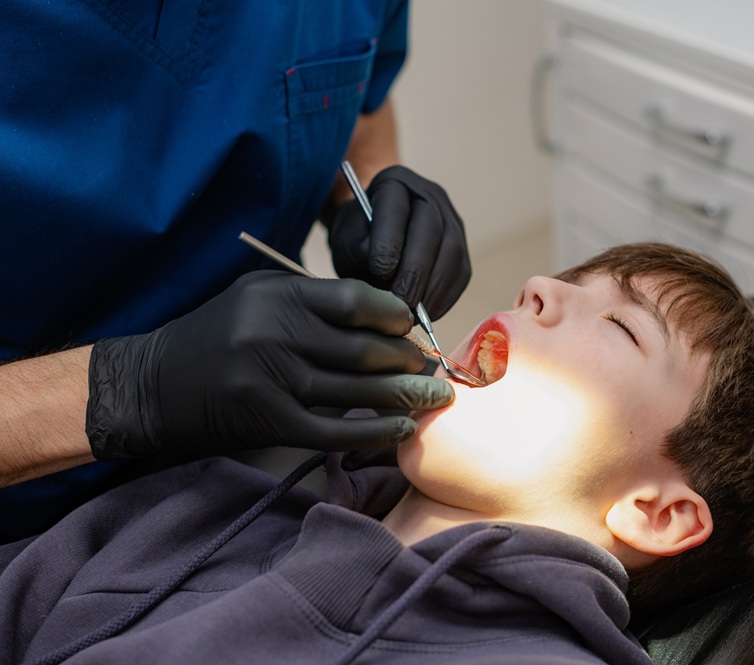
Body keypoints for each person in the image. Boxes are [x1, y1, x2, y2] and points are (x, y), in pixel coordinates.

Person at [0, 243, 754, 664]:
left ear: (655, 510)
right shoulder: (204, 505)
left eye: (620, 323)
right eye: (571, 280)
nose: (538, 285)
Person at [0, 0, 470, 541]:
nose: (539, 290)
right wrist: (127, 390)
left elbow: (353, 94)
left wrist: (363, 195)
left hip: (225, 462)